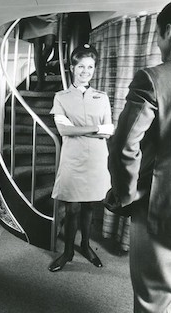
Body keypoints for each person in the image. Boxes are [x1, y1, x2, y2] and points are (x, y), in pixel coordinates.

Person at [105, 0, 171, 312]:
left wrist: (124, 194)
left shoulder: (154, 79)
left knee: (154, 300)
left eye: (158, 37)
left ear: (168, 30)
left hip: (161, 207)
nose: (158, 44)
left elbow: (124, 143)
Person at [48, 44, 114, 272]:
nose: (86, 71)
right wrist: (97, 128)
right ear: (72, 68)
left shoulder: (102, 97)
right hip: (73, 159)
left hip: (96, 159)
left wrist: (83, 128)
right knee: (72, 208)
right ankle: (67, 252)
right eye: (81, 66)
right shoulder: (61, 97)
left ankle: (85, 246)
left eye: (90, 67)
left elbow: (110, 130)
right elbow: (65, 130)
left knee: (89, 207)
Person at [20, 14, 59, 91]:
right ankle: (40, 81)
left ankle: (40, 69)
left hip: (51, 13)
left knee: (50, 44)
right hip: (35, 15)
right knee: (37, 46)